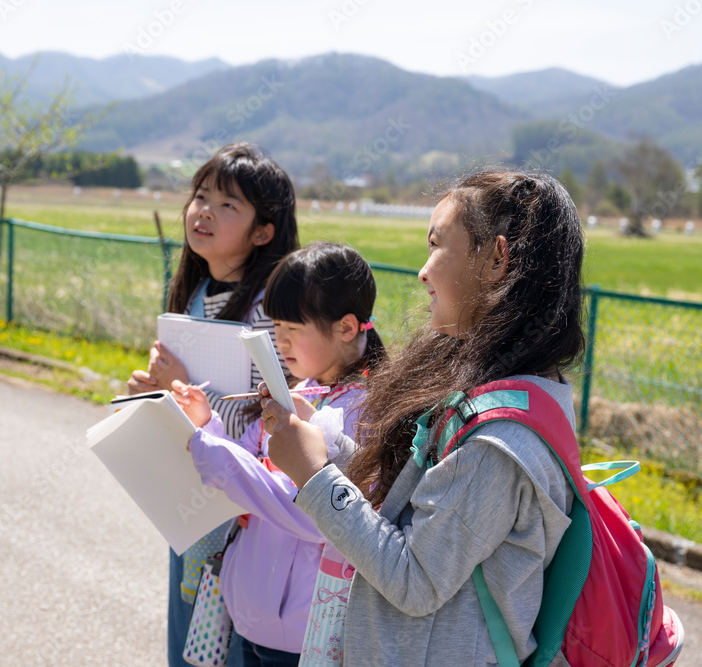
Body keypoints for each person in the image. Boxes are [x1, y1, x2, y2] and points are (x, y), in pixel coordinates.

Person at [261, 170, 586, 666]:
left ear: (497, 259)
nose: (423, 271)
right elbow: (419, 505)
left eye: (436, 245)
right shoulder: (510, 395)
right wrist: (324, 444)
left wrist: (314, 476)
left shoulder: (499, 440)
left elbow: (415, 580)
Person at [125, 143, 299, 667]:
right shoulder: (195, 291)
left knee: (226, 640)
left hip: (242, 506)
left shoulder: (270, 310)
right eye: (201, 196)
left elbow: (276, 414)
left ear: (263, 232)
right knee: (191, 633)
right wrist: (151, 397)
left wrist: (184, 388)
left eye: (228, 205)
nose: (204, 211)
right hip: (193, 496)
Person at [173, 243, 387, 667]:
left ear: (346, 328)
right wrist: (207, 425)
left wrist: (210, 449)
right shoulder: (304, 388)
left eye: (293, 327)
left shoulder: (362, 411)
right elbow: (251, 461)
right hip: (257, 617)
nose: (280, 340)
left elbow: (309, 511)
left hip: (301, 634)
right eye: (275, 326)